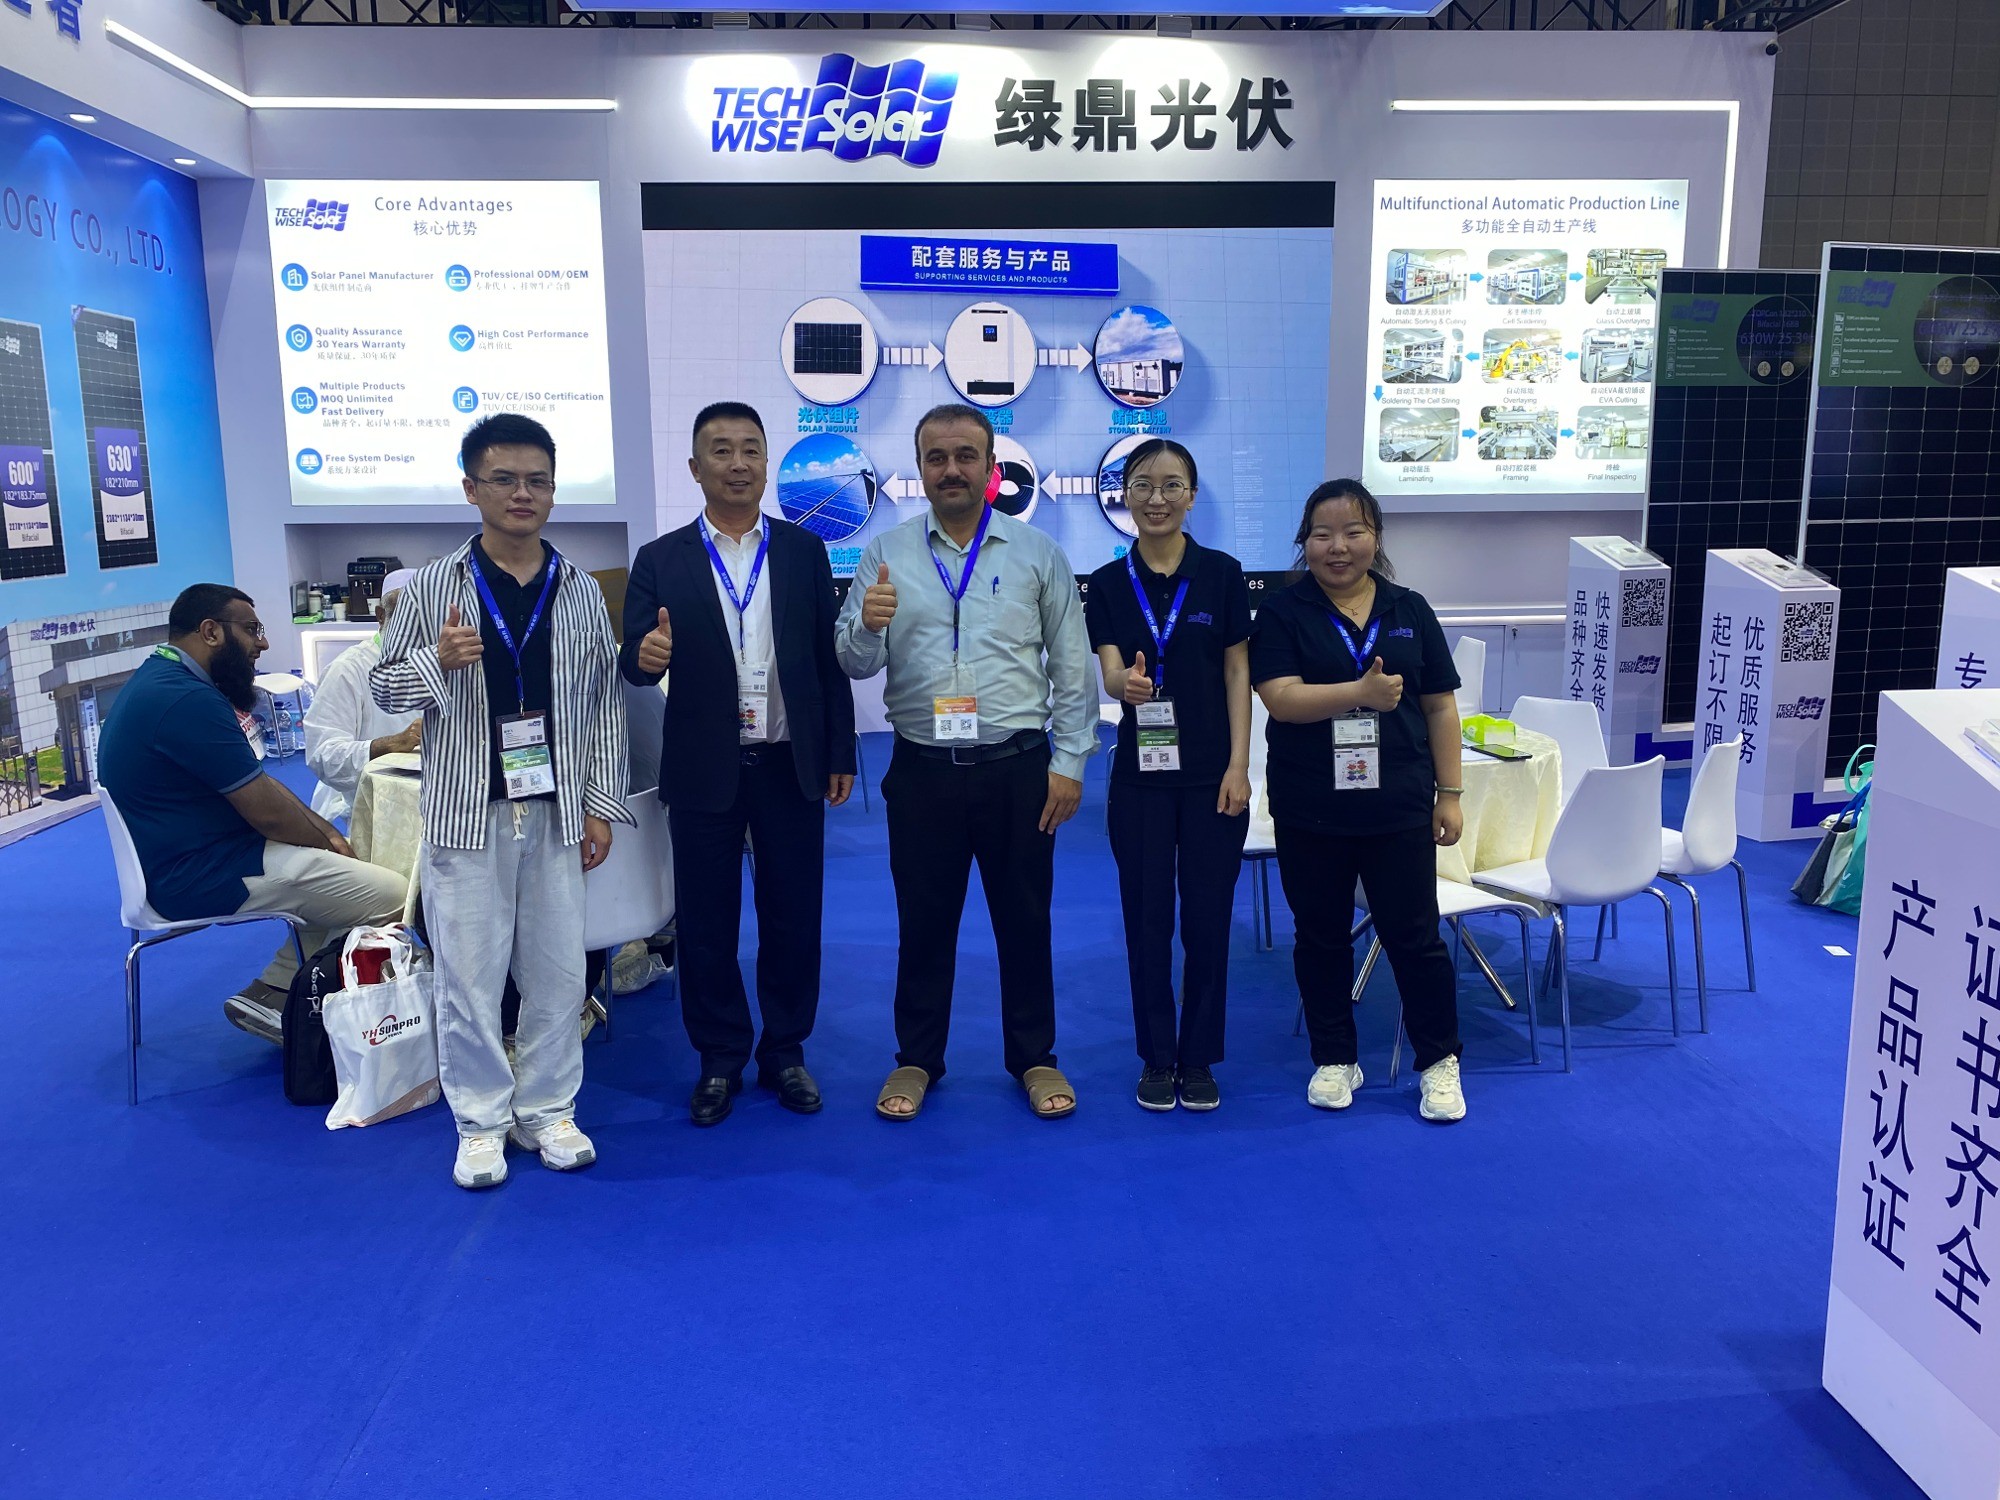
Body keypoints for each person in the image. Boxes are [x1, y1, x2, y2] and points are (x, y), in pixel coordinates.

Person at [372, 413, 633, 1190]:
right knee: (470, 977)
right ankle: (481, 1121)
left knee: (558, 974)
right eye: (504, 479)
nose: (523, 493)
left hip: (556, 810)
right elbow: (385, 689)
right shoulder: (433, 586)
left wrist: (599, 803)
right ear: (471, 488)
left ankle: (548, 1109)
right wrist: (436, 661)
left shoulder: (579, 590)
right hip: (467, 813)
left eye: (537, 480)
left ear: (553, 490)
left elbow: (603, 705)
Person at [835, 402, 1097, 1121]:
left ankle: (1035, 1058)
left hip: (1018, 769)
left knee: (1025, 921)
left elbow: (1072, 666)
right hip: (922, 770)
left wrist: (1071, 760)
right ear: (920, 469)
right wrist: (868, 625)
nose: (951, 469)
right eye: (936, 457)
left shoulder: (1037, 552)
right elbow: (853, 662)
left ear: (990, 468)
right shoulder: (884, 553)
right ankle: (917, 1059)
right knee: (923, 923)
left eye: (965, 456)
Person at [620, 401, 856, 1126]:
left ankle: (785, 1051)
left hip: (789, 761)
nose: (738, 463)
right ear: (696, 468)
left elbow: (826, 660)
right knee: (706, 924)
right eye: (721, 451)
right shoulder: (661, 558)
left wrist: (839, 750)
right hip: (703, 766)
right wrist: (646, 655)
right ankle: (720, 1058)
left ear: (766, 462)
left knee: (794, 918)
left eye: (751, 449)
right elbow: (632, 663)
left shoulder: (803, 551)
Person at [97, 584, 406, 1043]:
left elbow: (258, 784)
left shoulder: (160, 681)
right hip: (202, 873)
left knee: (340, 876)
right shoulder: (187, 700)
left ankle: (275, 990)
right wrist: (328, 844)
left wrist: (327, 835)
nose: (263, 643)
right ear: (210, 632)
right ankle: (311, 1006)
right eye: (252, 630)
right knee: (396, 894)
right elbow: (269, 815)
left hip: (188, 858)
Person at [1248, 479, 1469, 1124]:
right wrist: (1358, 694)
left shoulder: (1409, 609)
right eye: (1322, 534)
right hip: (1310, 806)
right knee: (1320, 936)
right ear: (1304, 542)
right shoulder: (1284, 612)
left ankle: (1439, 1060)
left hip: (1398, 803)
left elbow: (1440, 707)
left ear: (1376, 538)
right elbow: (1280, 698)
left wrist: (1450, 793)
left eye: (1354, 532)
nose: (1337, 546)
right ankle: (1335, 1057)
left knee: (1415, 936)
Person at [1084, 440, 1252, 1112]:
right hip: (1141, 782)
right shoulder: (1107, 582)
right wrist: (1122, 685)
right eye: (1143, 485)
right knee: (1147, 922)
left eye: (1172, 485)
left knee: (1208, 922)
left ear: (1192, 495)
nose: (1157, 498)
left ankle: (1199, 1056)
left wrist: (1240, 765)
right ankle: (1157, 1056)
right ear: (1124, 495)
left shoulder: (1223, 574)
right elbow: (1109, 669)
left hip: (1214, 778)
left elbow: (1237, 672)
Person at [304, 568, 422, 825]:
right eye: (407, 614)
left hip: (442, 802)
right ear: (381, 616)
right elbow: (323, 754)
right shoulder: (348, 670)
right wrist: (390, 744)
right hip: (376, 809)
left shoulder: (446, 663)